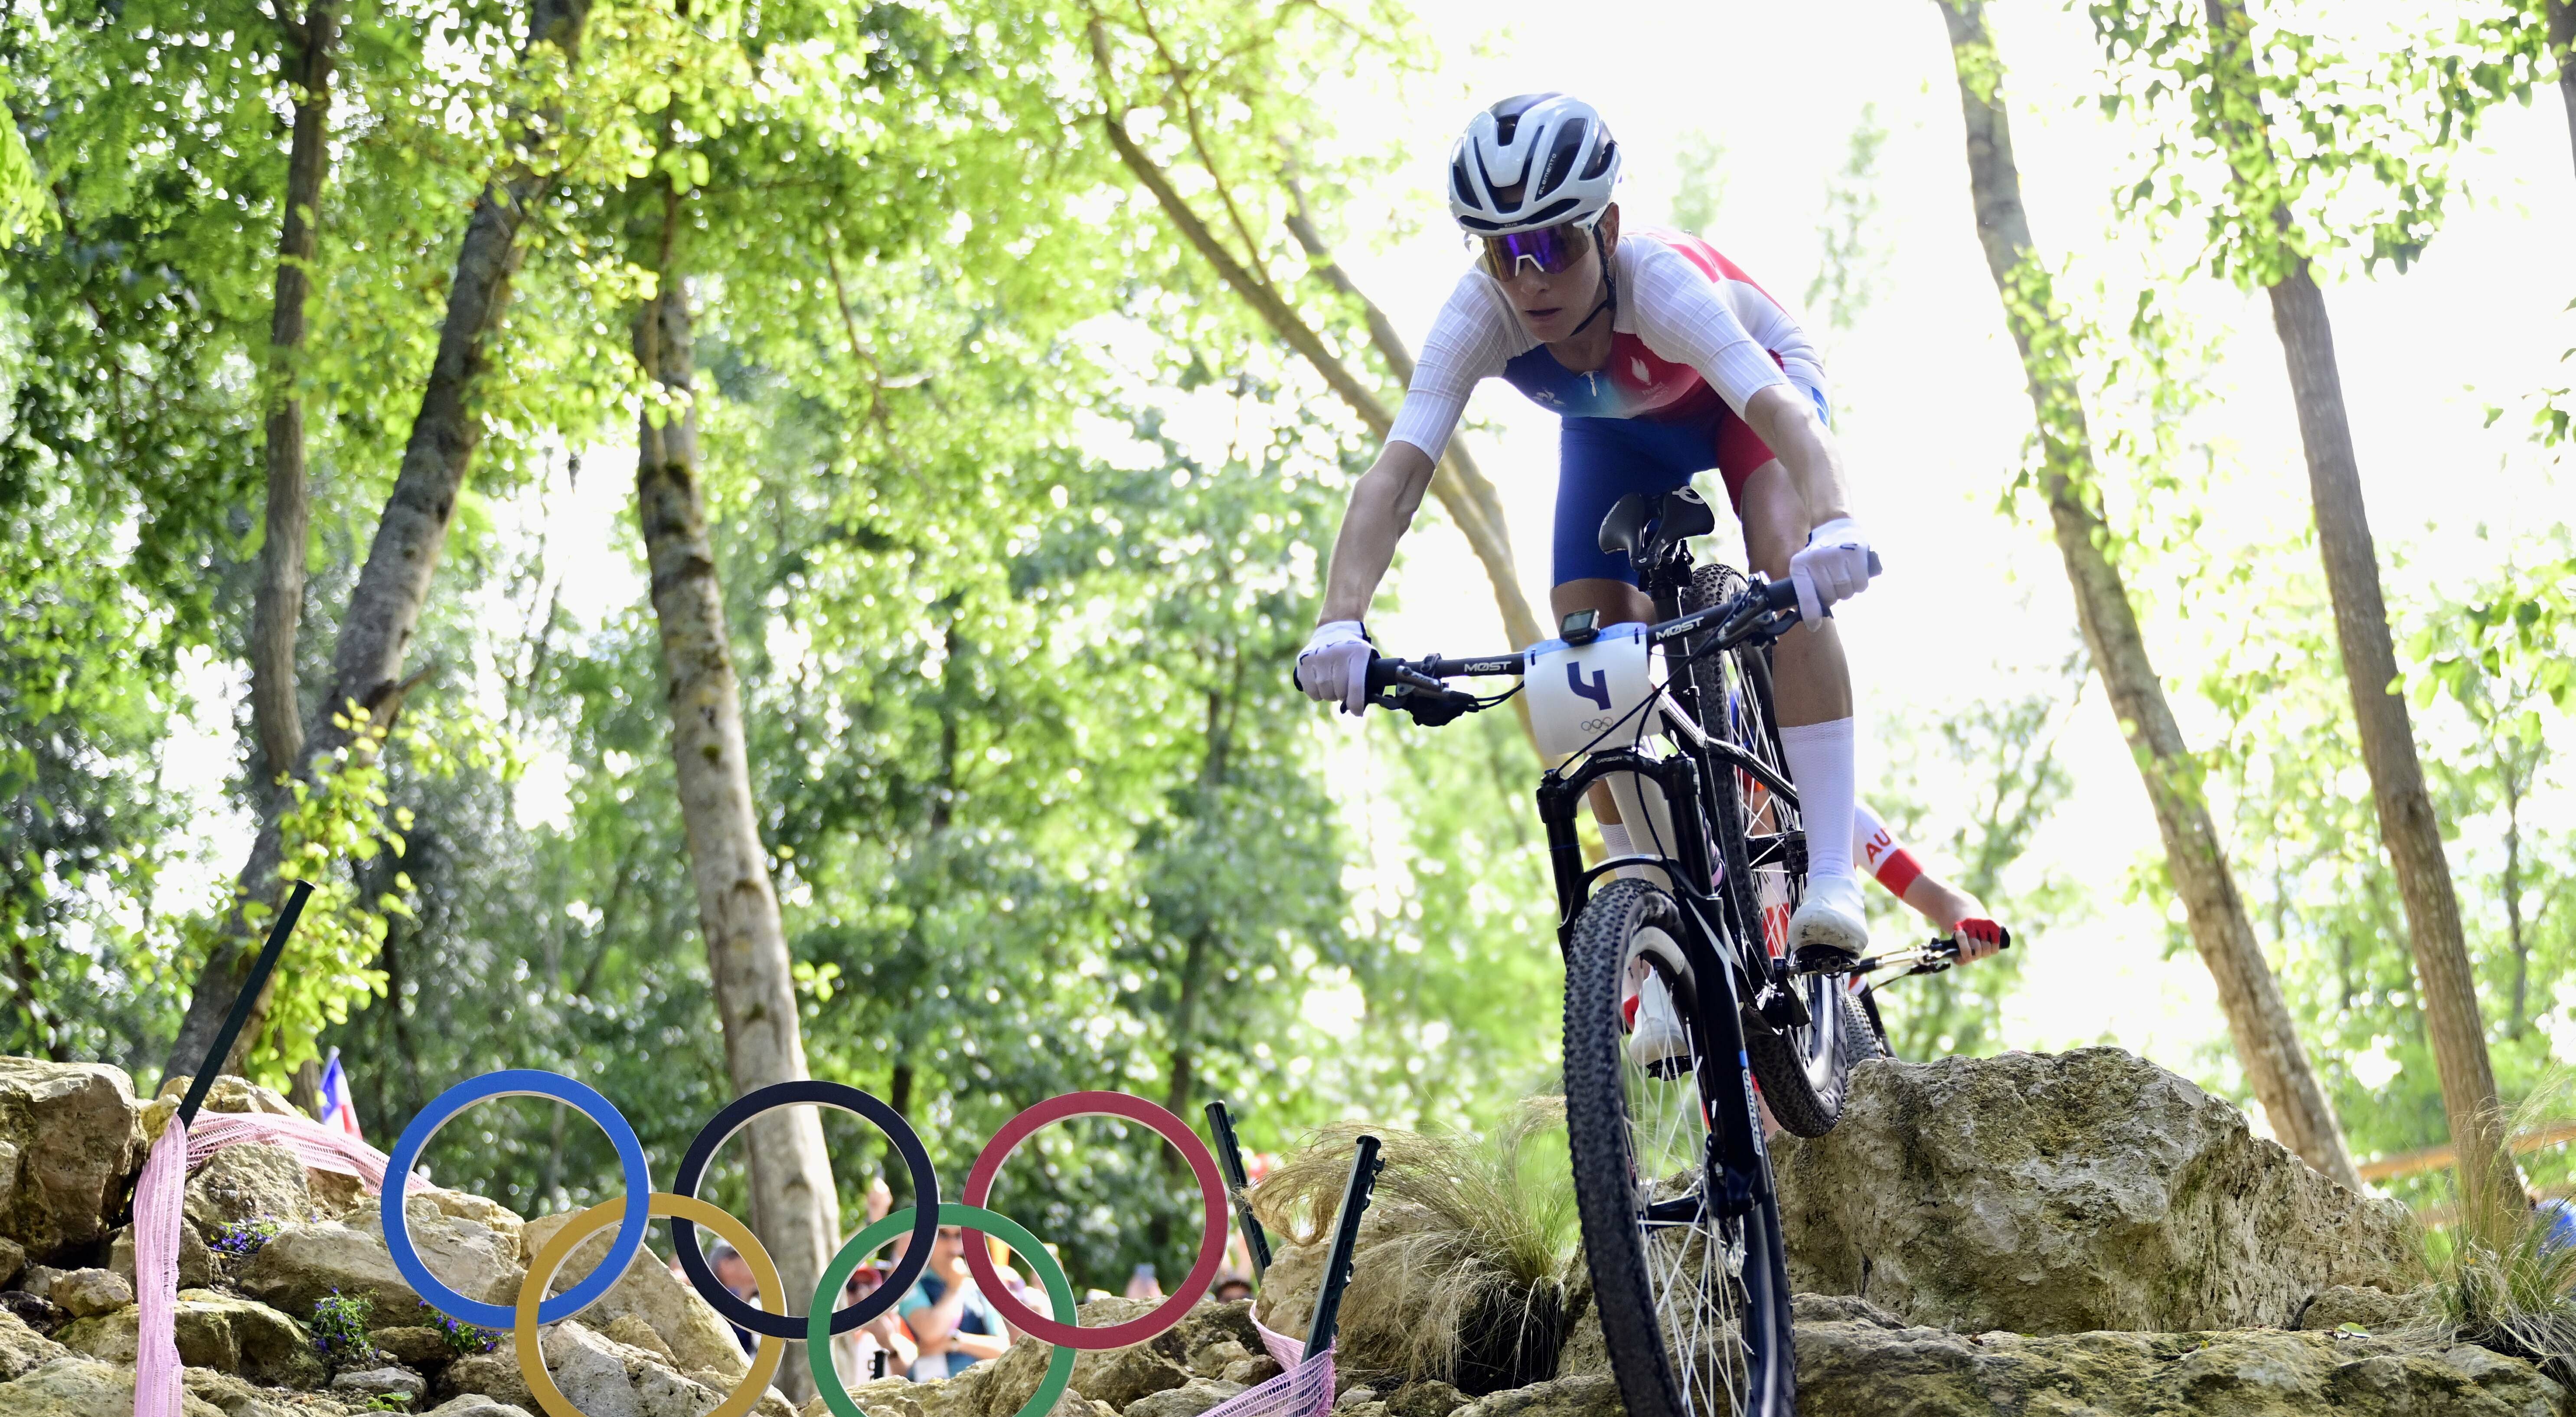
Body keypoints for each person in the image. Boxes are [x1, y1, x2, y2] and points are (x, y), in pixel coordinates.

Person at [1297, 93, 1880, 972]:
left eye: (1554, 245)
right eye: (1504, 251)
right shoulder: (1479, 314)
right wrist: (1340, 617)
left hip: (1743, 398)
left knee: (1784, 571)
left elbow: (1781, 414)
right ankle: (1656, 932)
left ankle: (1833, 875)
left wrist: (1833, 524)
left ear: (1606, 229)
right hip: (1612, 432)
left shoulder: (1661, 285)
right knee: (1582, 673)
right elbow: (1399, 474)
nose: (1529, 277)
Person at [898, 1224, 1011, 1380]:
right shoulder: (912, 1287)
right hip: (925, 1392)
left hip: (977, 1391)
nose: (953, 1245)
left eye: (959, 1236)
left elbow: (1003, 1348)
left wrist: (955, 1341)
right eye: (943, 1235)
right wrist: (954, 1288)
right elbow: (930, 1331)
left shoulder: (979, 1290)